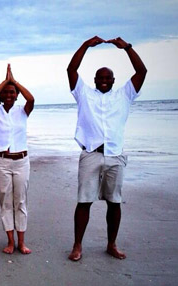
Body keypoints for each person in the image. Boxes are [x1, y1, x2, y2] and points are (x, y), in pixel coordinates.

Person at [66, 36, 147, 261]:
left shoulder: (124, 94)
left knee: (114, 202)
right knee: (84, 202)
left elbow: (142, 72)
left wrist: (128, 48)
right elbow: (71, 69)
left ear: (113, 80)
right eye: (100, 77)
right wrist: (85, 46)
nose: (103, 80)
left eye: (107, 77)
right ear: (94, 80)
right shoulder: (84, 93)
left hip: (115, 155)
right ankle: (77, 246)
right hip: (91, 153)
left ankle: (111, 244)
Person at [0, 64, 35, 254]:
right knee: (5, 201)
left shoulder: (23, 110)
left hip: (21, 161)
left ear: (17, 94)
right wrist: (5, 81)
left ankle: (21, 242)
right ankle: (9, 241)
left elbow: (31, 98)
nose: (9, 95)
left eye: (12, 92)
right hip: (1, 162)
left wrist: (15, 81)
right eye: (6, 92)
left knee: (20, 201)